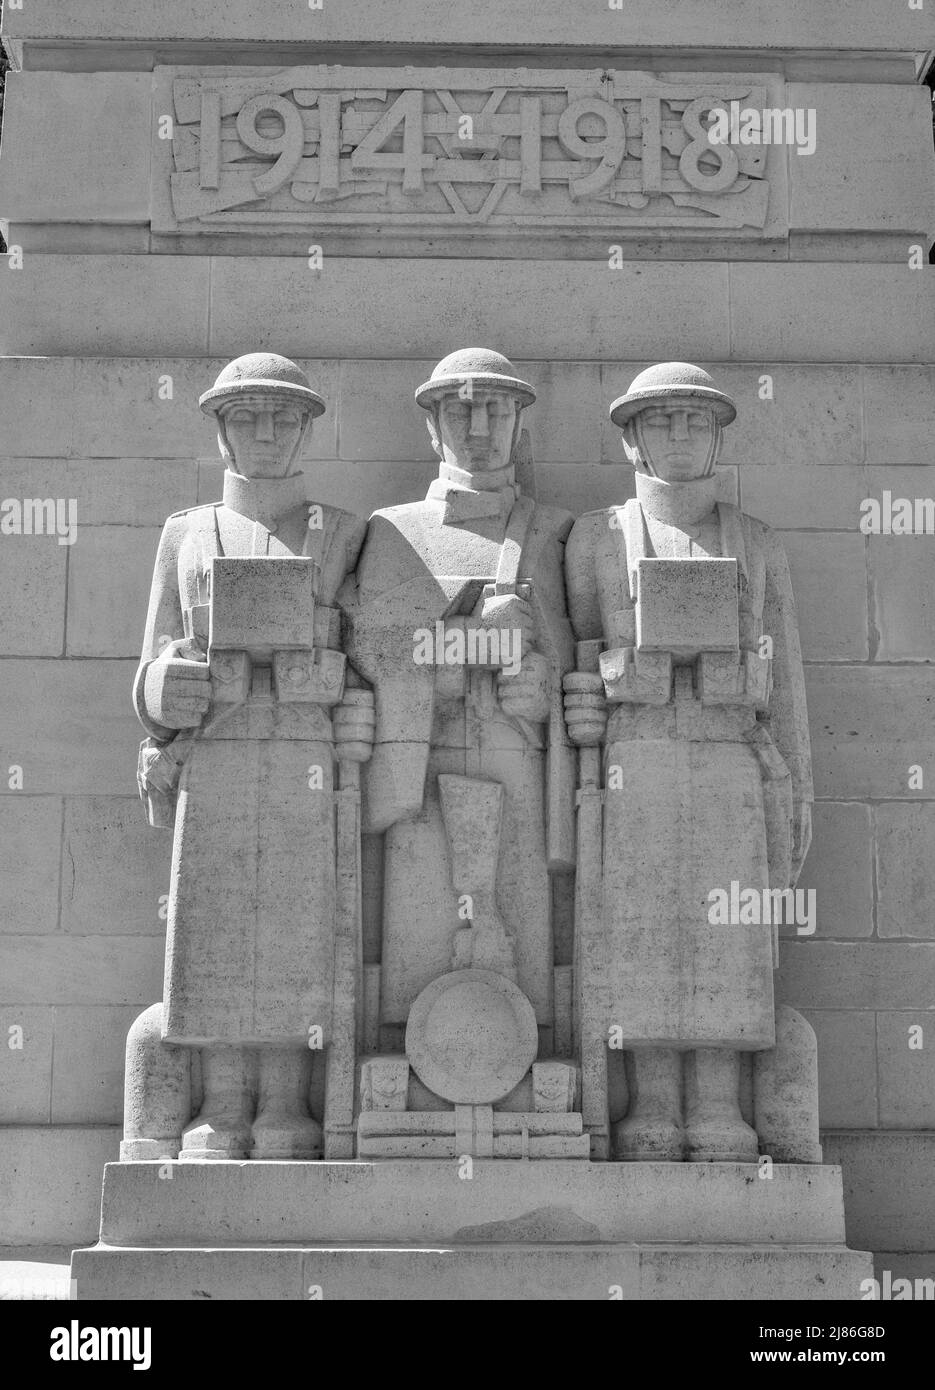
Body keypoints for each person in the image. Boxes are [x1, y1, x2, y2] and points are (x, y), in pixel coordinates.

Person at [563, 362, 815, 1162]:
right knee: (637, 934)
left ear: (716, 436)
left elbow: (790, 686)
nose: (679, 434)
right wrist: (597, 688)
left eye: (695, 420)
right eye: (662, 420)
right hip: (633, 765)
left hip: (728, 763)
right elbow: (573, 652)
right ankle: (651, 1105)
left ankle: (717, 1107)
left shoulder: (756, 541)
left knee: (724, 940)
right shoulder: (594, 537)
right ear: (631, 437)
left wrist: (797, 791)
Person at [131, 353, 372, 1160]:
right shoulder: (185, 532)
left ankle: (283, 1104)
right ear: (221, 430)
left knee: (297, 928)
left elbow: (375, 660)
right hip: (220, 757)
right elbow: (149, 665)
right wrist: (169, 687)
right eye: (246, 417)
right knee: (216, 930)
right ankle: (224, 1103)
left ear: (307, 427)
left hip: (305, 756)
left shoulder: (343, 533)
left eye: (282, 418)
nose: (265, 434)